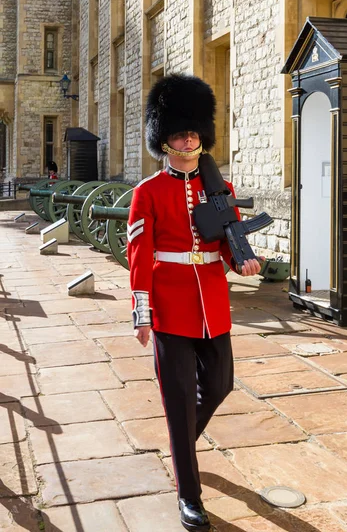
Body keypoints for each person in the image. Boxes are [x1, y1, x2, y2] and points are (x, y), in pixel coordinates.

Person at [127, 74, 261, 532]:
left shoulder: (216, 187)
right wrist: (142, 310)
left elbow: (230, 240)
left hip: (212, 305)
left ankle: (182, 440)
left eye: (195, 132)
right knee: (179, 399)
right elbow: (140, 254)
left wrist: (243, 260)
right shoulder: (148, 192)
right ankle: (189, 494)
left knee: (220, 384)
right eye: (181, 133)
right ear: (164, 139)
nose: (189, 139)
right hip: (170, 305)